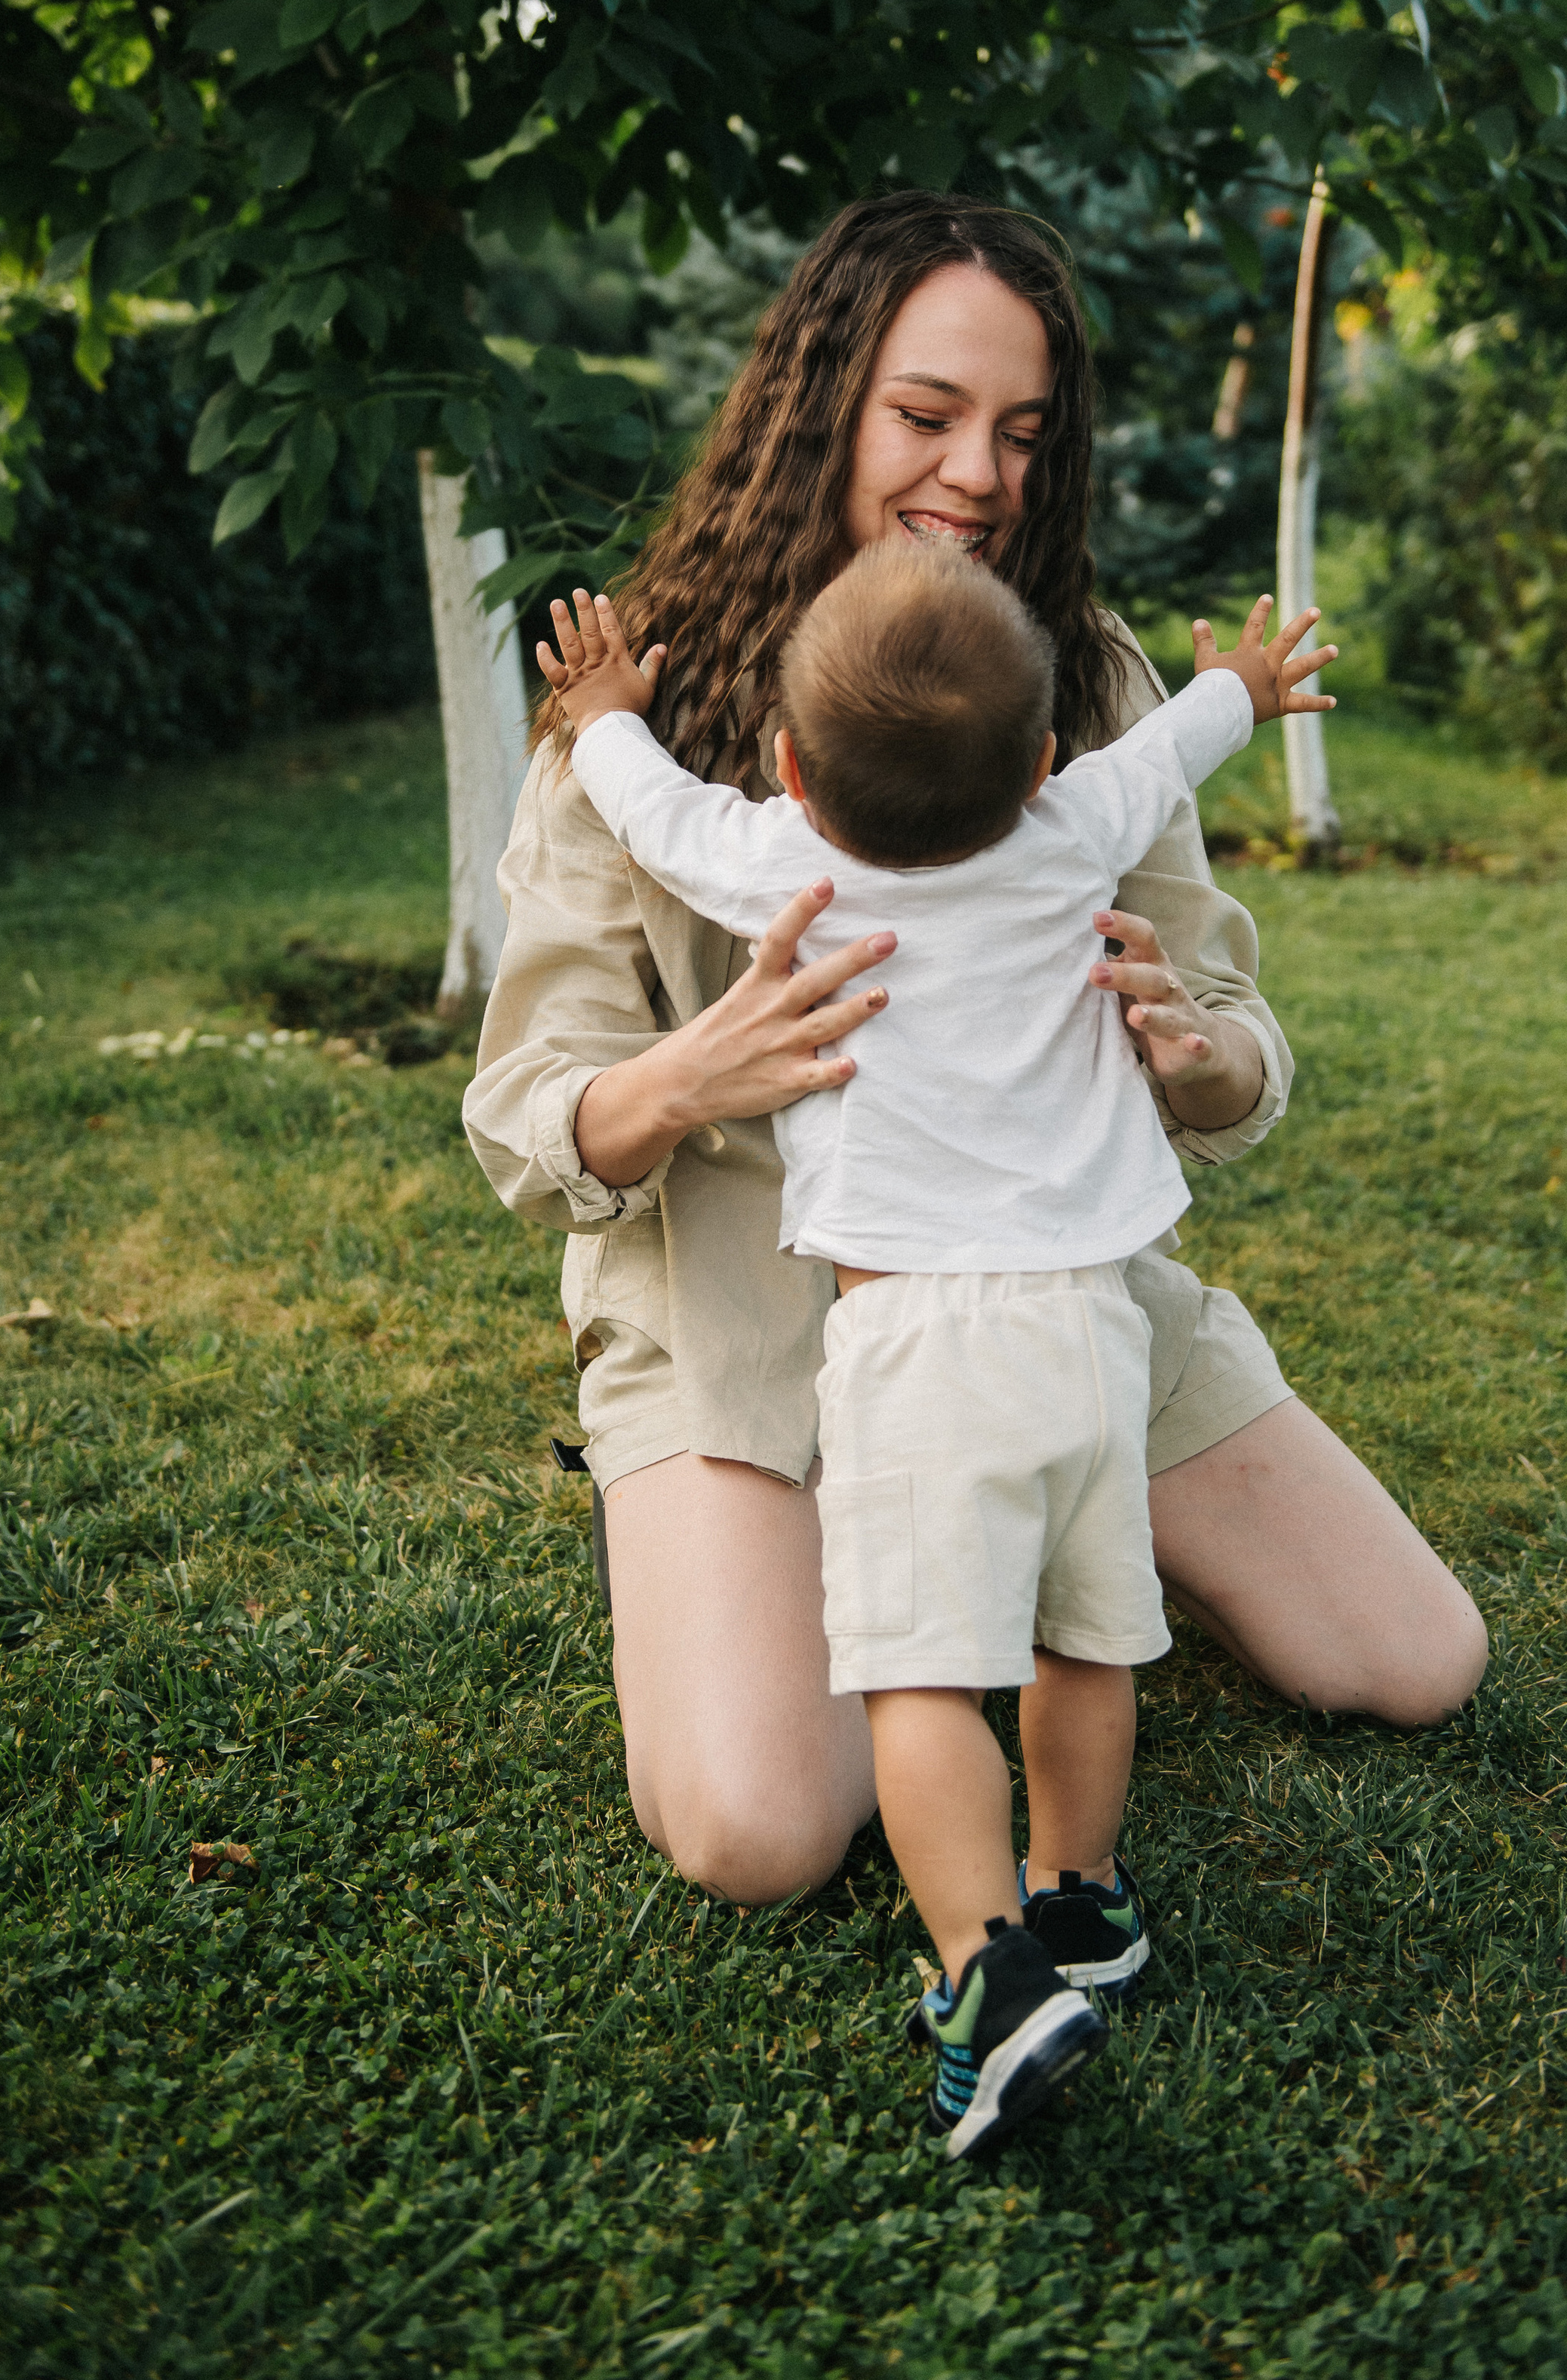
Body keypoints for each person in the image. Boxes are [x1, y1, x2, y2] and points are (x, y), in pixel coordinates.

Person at [462, 192, 1487, 1926]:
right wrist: (693, 1072)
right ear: (822, 406)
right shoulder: (640, 717)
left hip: (1048, 1302)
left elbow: (1241, 1049)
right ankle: (743, 1539)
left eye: (1019, 433)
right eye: (925, 417)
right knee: (764, 1828)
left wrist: (1189, 1050)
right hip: (748, 1323)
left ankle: (1034, 1517)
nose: (976, 474)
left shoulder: (1069, 684)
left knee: (1407, 1660)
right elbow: (526, 1118)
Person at [530, 546, 1336, 2151]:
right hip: (1089, 1329)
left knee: (917, 1681)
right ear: (1040, 763)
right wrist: (1241, 686)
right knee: (1082, 1639)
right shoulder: (1072, 831)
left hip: (913, 1344)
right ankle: (1083, 1900)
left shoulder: (784, 869)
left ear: (787, 773)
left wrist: (606, 710)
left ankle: (984, 1969)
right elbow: (1168, 747)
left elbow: (649, 813)